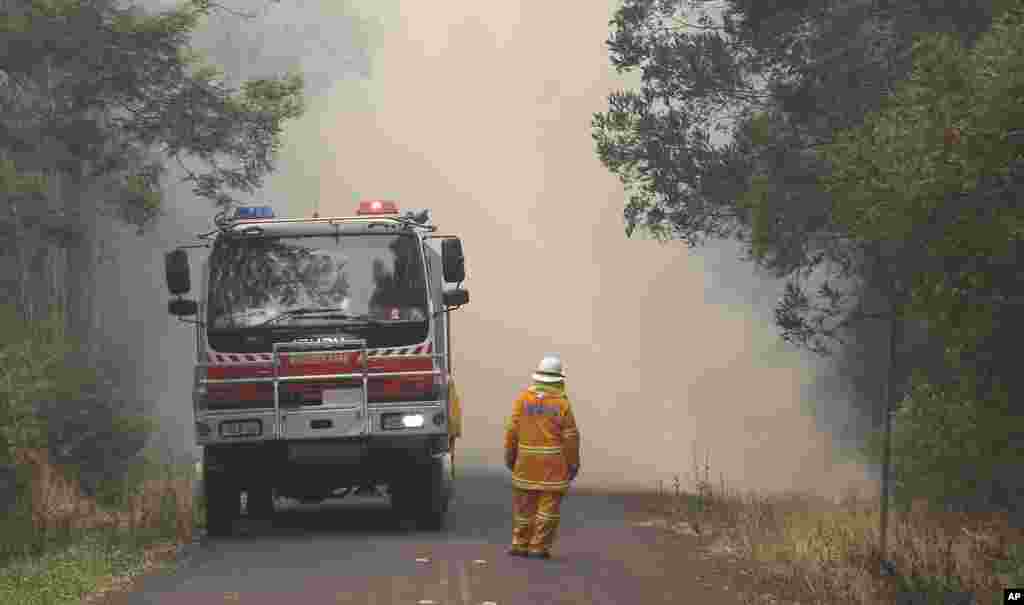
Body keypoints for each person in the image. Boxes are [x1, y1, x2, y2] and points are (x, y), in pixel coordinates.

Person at [503, 354, 581, 560]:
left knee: (524, 509)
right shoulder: (562, 405)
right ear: (559, 379)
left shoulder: (522, 400)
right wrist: (573, 465)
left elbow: (512, 431)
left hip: (525, 465)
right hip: (553, 469)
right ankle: (538, 547)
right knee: (547, 511)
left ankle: (520, 544)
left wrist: (510, 458)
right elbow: (571, 438)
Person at [447, 372, 463, 480]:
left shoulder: (446, 380)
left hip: (449, 425)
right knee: (449, 454)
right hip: (450, 424)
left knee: (449, 454)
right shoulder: (448, 379)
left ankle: (448, 477)